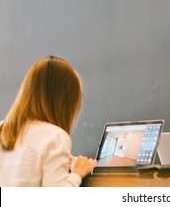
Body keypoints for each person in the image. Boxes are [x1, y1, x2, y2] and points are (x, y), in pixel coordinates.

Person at [0, 55, 97, 186]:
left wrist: (57, 161)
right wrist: (78, 173)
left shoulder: (3, 128)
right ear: (66, 102)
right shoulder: (55, 136)